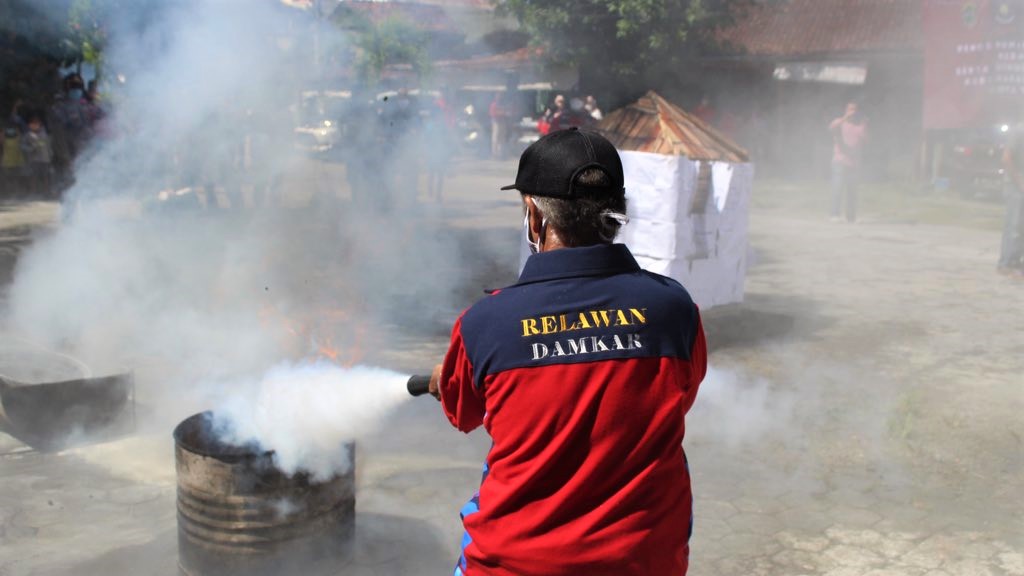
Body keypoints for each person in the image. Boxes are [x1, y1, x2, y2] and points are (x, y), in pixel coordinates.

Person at [426, 127, 708, 575]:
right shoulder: (676, 310)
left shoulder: (485, 323)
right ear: (619, 212)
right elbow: (679, 397)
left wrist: (454, 377)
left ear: (534, 217)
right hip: (644, 560)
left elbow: (464, 412)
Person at [829, 101, 868, 223]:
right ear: (845, 110)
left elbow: (866, 140)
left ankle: (851, 217)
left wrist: (864, 124)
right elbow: (831, 127)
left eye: (855, 109)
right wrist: (845, 117)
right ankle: (834, 215)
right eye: (850, 109)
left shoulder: (858, 127)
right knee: (838, 187)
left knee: (852, 191)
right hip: (839, 161)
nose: (853, 111)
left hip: (853, 163)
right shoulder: (839, 122)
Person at [999, 122, 1024, 276]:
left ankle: (1015, 261)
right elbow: (1006, 158)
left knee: (1021, 227)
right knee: (1013, 225)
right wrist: (1019, 181)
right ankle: (1006, 263)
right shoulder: (1020, 130)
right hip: (1016, 185)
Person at [489, 92, 510, 159]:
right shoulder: (493, 105)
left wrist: (505, 113)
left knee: (502, 139)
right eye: (498, 96)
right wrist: (500, 113)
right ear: (495, 97)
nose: (499, 97)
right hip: (496, 122)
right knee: (495, 138)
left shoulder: (503, 105)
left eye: (500, 96)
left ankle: (501, 153)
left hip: (502, 122)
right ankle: (495, 154)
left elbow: (506, 112)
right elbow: (492, 114)